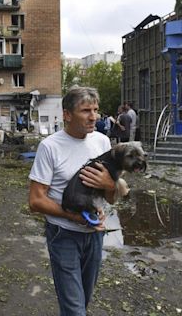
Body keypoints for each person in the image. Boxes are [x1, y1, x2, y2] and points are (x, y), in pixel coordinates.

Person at [28, 87, 116, 316]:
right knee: (75, 310)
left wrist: (110, 185)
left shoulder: (103, 142)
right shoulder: (50, 147)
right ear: (67, 114)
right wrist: (73, 216)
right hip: (64, 235)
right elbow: (36, 201)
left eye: (95, 110)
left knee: (82, 302)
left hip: (95, 234)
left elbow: (111, 198)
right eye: (86, 110)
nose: (93, 116)